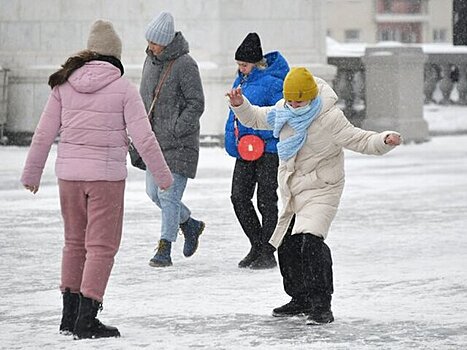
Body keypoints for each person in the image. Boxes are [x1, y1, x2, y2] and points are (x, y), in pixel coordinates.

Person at [20, 20, 173, 339]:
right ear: (115, 56)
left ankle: (69, 316)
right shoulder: (124, 89)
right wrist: (163, 176)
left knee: (74, 243)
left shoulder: (63, 85)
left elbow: (44, 133)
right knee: (101, 246)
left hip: (69, 177)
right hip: (105, 179)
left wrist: (31, 173)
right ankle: (87, 319)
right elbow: (144, 137)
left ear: (89, 52)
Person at [227, 67, 402, 325]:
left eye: (300, 99)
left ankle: (321, 304)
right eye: (291, 99)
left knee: (311, 242)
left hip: (323, 187)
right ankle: (300, 298)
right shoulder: (283, 111)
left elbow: (358, 138)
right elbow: (256, 118)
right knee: (286, 244)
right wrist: (240, 104)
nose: (294, 104)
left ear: (310, 96)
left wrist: (384, 140)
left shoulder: (329, 118)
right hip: (294, 189)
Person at [141, 11, 205, 267]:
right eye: (149, 41)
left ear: (167, 41)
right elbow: (144, 98)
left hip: (179, 143)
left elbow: (196, 102)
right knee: (153, 193)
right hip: (153, 143)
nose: (150, 46)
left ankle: (164, 248)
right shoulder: (150, 61)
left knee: (168, 195)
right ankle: (190, 224)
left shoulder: (185, 64)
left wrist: (177, 128)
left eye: (155, 42)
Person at [225, 33, 289, 269]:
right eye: (239, 65)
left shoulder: (274, 81)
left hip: (268, 150)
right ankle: (258, 244)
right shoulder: (242, 80)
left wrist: (258, 134)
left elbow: (279, 116)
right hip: (246, 148)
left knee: (266, 201)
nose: (241, 69)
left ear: (256, 62)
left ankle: (268, 251)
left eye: (244, 64)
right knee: (238, 197)